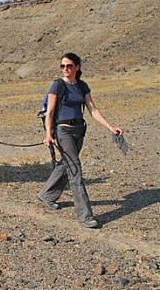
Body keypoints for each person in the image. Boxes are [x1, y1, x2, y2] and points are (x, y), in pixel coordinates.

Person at [38, 52, 124, 229]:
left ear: (77, 67)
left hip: (79, 130)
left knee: (66, 164)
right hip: (63, 131)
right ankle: (85, 216)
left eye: (69, 66)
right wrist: (48, 134)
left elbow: (93, 110)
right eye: (62, 66)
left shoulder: (82, 86)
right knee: (75, 170)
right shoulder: (57, 85)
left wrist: (110, 127)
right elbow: (50, 113)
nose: (65, 69)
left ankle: (46, 194)